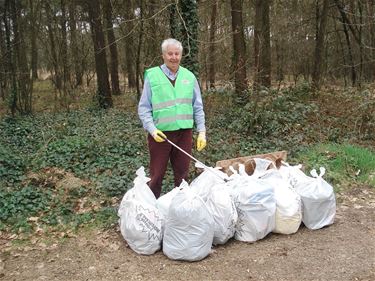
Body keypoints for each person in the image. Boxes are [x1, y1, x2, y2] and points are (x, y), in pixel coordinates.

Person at [138, 38, 206, 199]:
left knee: (182, 175)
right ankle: (152, 208)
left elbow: (198, 106)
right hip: (160, 135)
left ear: (181, 55)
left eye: (177, 54)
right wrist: (152, 130)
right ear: (163, 55)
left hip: (184, 133)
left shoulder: (189, 77)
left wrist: (202, 131)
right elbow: (143, 108)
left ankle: (181, 208)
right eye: (170, 54)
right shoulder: (153, 76)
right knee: (156, 175)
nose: (173, 57)